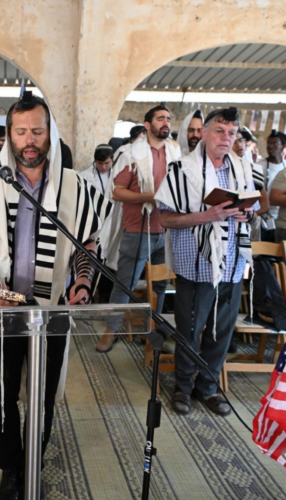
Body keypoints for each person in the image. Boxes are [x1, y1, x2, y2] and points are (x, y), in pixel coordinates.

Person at [0, 92, 110, 500]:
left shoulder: (77, 188)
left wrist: (82, 282)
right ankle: (10, 467)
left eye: (37, 132)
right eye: (20, 131)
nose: (29, 140)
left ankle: (33, 463)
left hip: (52, 312)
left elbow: (87, 245)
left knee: (43, 396)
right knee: (3, 393)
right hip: (1, 311)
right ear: (9, 136)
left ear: (50, 135)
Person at [155, 107, 259, 417]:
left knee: (222, 332)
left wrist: (247, 213)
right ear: (204, 133)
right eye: (219, 131)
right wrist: (207, 216)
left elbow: (253, 210)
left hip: (232, 263)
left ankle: (208, 387)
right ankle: (183, 387)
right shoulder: (181, 169)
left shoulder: (242, 168)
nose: (226, 138)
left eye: (231, 133)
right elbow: (165, 219)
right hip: (196, 263)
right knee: (190, 329)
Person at [96, 105, 182, 353]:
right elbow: (117, 191)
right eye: (160, 118)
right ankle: (110, 331)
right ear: (147, 125)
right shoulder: (130, 153)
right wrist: (151, 197)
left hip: (167, 230)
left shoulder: (175, 152)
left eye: (168, 118)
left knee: (160, 286)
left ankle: (152, 333)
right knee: (125, 284)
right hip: (138, 229)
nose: (165, 122)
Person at [79, 144, 118, 303]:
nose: (103, 167)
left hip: (113, 223)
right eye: (100, 163)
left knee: (110, 260)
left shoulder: (118, 175)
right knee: (94, 259)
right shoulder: (84, 176)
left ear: (112, 161)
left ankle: (105, 297)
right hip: (95, 223)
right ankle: (90, 296)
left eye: (107, 163)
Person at [257, 130, 286, 241]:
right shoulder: (258, 166)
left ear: (283, 146)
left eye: (275, 143)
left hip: (282, 217)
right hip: (263, 216)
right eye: (269, 143)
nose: (271, 146)